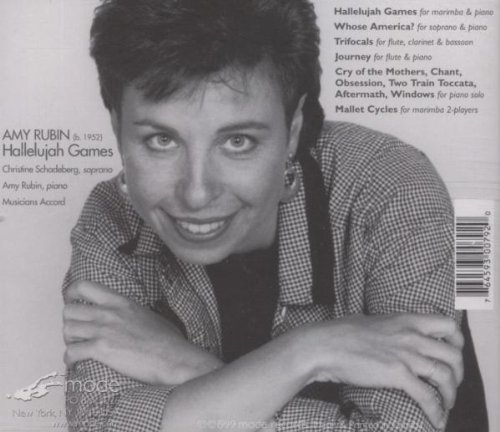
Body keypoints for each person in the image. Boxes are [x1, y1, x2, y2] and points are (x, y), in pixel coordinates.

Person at [61, 0, 484, 431]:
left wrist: (184, 367)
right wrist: (309, 355)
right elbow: (99, 424)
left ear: (292, 130)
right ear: (117, 128)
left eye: (238, 141)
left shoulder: (393, 188)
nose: (197, 193)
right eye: (161, 140)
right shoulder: (112, 219)